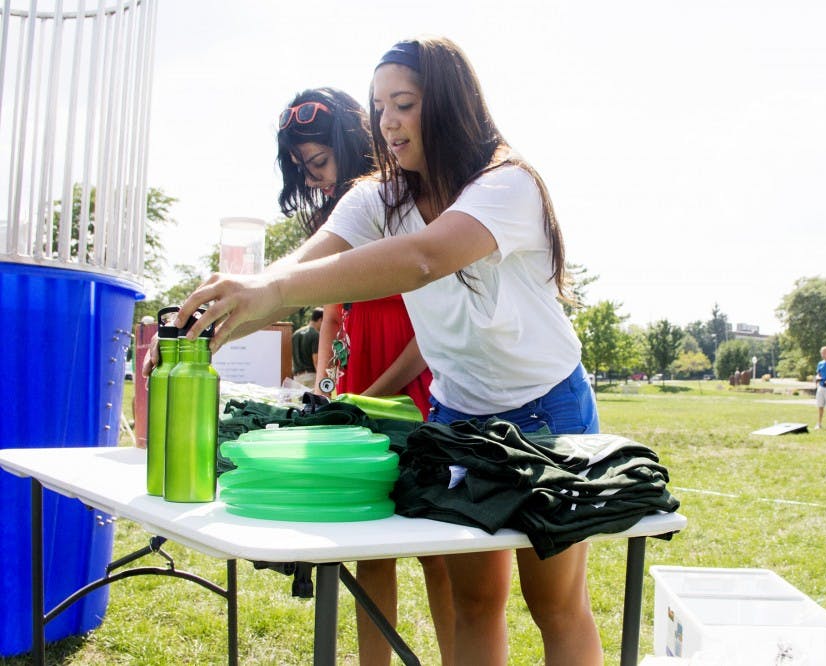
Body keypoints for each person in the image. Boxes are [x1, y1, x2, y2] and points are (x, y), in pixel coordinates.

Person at [174, 36, 602, 665]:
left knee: (556, 605)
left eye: (404, 103)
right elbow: (314, 255)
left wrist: (270, 292)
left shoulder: (507, 185)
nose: (388, 122)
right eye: (379, 107)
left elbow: (423, 258)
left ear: (452, 105)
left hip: (549, 413)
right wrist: (242, 306)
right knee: (476, 602)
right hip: (461, 420)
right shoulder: (381, 195)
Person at [273, 87, 451, 666]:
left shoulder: (401, 200)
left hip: (411, 385)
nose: (316, 178)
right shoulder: (338, 215)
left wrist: (373, 396)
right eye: (304, 168)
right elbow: (331, 317)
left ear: (348, 148)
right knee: (370, 541)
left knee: (435, 547)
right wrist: (330, 395)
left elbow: (436, 329)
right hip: (361, 388)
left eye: (320, 162)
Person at [290, 307, 323, 386]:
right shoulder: (315, 334)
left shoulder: (296, 333)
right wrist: (321, 379)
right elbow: (316, 360)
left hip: (297, 378)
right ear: (320, 319)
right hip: (310, 377)